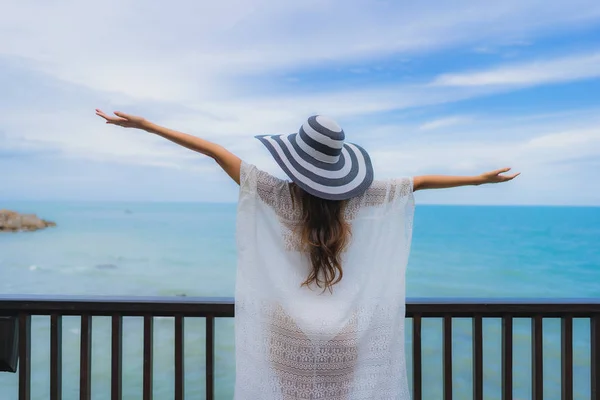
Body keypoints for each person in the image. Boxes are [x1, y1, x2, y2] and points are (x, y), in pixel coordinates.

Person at [96, 110, 519, 399]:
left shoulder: (276, 193)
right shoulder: (360, 199)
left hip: (288, 329)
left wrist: (147, 125)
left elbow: (211, 150)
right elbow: (419, 182)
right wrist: (478, 181)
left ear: (297, 160)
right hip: (344, 331)